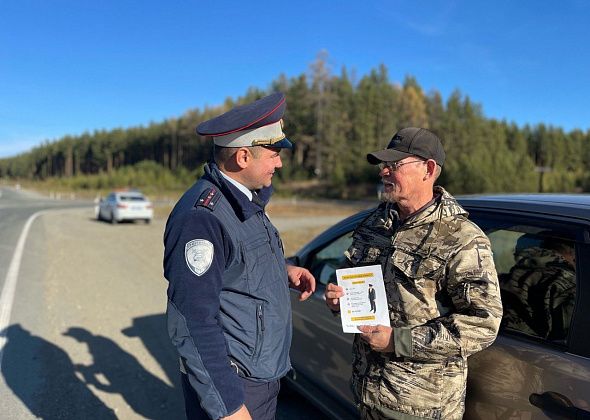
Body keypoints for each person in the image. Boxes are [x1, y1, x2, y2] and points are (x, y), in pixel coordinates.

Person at [325, 127, 503, 419]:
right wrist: (339, 301)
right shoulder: (376, 223)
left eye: (393, 165)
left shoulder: (461, 238)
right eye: (383, 165)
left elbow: (483, 323)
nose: (383, 172)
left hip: (420, 406)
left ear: (428, 169)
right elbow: (355, 282)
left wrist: (399, 341)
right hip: (367, 393)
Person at [164, 92, 316, 420]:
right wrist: (228, 406)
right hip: (236, 385)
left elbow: (242, 262)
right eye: (274, 153)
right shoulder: (202, 217)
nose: (279, 162)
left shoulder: (246, 200)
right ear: (243, 157)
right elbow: (192, 320)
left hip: (261, 373)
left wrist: (284, 270)